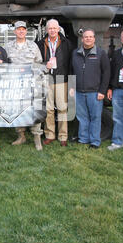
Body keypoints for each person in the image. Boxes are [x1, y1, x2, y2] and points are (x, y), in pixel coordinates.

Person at [4, 21, 44, 151]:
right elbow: (5, 64)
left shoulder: (33, 46)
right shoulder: (8, 46)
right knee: (17, 111)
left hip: (31, 85)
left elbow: (39, 62)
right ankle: (21, 136)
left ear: (26, 31)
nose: (21, 31)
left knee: (34, 111)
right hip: (15, 85)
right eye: (18, 29)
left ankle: (37, 138)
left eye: (23, 29)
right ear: (15, 31)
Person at [69, 28, 110, 148]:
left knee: (95, 117)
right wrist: (72, 86)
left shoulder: (101, 53)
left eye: (90, 37)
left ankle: (95, 141)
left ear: (94, 39)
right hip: (78, 91)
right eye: (86, 37)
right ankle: (83, 139)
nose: (88, 39)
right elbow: (71, 70)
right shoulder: (75, 53)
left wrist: (102, 91)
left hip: (95, 92)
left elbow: (106, 73)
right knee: (82, 118)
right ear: (82, 39)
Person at [37, 19, 74, 147]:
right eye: (50, 28)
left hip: (61, 79)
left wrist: (71, 82)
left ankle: (63, 136)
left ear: (58, 29)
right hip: (47, 78)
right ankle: (50, 135)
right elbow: (36, 62)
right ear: (46, 30)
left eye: (54, 28)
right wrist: (43, 65)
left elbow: (71, 64)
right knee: (48, 109)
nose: (52, 30)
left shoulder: (67, 44)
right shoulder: (41, 44)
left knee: (63, 108)